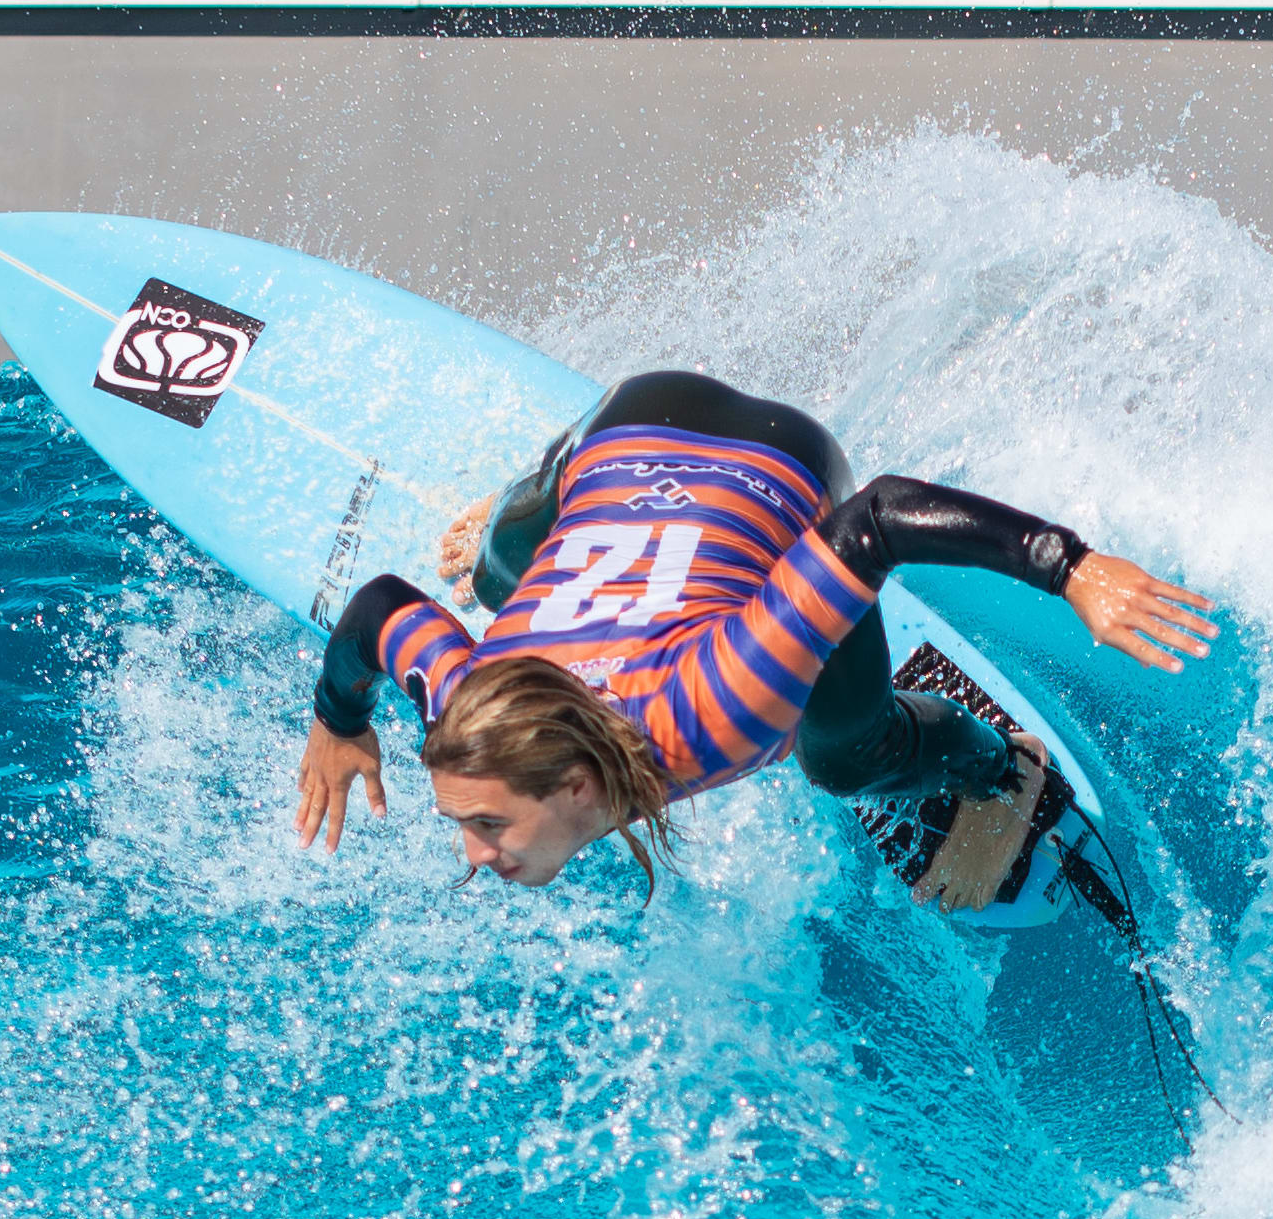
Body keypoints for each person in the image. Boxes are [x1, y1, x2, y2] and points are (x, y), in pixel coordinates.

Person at [289, 367, 1213, 901]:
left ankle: (990, 768)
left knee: (846, 755)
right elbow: (376, 610)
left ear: (576, 784)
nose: (472, 852)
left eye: (485, 824)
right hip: (627, 417)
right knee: (497, 577)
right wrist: (340, 721)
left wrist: (1071, 567)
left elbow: (879, 516)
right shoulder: (467, 701)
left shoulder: (720, 702)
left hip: (785, 461)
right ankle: (539, 498)